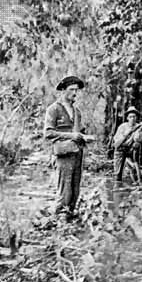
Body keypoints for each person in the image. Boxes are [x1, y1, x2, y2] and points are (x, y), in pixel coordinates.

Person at [44, 76, 87, 219]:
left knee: (75, 190)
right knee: (64, 192)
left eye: (77, 90)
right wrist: (71, 136)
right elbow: (48, 133)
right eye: (71, 90)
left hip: (77, 154)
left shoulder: (77, 112)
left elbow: (79, 132)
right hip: (63, 156)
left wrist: (83, 137)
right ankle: (57, 220)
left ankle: (70, 219)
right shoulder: (54, 109)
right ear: (63, 90)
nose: (75, 93)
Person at [112, 106, 142, 182]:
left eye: (134, 116)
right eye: (130, 117)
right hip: (120, 149)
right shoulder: (122, 127)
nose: (132, 118)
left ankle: (137, 181)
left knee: (134, 166)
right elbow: (116, 142)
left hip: (130, 149)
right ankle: (118, 184)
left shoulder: (138, 126)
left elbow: (137, 140)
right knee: (117, 173)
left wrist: (140, 129)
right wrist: (126, 134)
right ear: (127, 118)